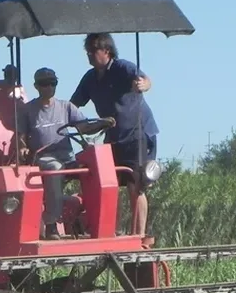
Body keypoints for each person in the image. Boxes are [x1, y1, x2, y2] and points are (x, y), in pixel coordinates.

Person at [69, 32, 158, 237]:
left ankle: (139, 235)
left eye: (93, 51)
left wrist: (144, 85)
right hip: (114, 135)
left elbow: (145, 80)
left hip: (138, 134)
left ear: (106, 51)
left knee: (136, 185)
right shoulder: (90, 78)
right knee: (107, 184)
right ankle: (109, 231)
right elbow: (73, 105)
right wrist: (77, 122)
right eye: (87, 52)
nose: (89, 56)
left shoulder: (123, 67)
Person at [17, 67, 88, 239]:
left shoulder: (66, 107)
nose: (49, 87)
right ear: (36, 86)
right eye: (44, 84)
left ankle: (92, 220)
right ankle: (51, 225)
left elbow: (85, 126)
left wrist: (102, 123)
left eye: (52, 83)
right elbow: (21, 138)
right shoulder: (28, 110)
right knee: (55, 168)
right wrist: (23, 148)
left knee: (97, 166)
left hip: (67, 156)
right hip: (43, 157)